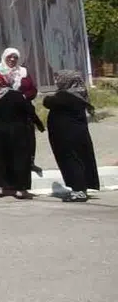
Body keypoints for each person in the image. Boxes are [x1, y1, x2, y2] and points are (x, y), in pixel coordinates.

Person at [0, 51, 39, 199]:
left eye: (15, 57)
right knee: (19, 158)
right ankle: (20, 188)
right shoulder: (16, 96)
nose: (13, 59)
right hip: (18, 131)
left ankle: (0, 187)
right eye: (10, 57)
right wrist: (39, 125)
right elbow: (29, 110)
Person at [43, 69, 100, 202]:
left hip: (67, 136)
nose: (57, 81)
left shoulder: (65, 96)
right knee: (80, 160)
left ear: (67, 80)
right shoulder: (79, 94)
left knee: (71, 162)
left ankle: (79, 191)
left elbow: (47, 102)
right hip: (78, 135)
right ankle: (81, 189)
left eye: (59, 79)